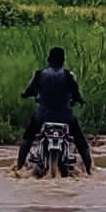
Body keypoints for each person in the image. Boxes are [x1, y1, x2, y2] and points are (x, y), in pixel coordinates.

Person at [15, 45, 93, 174]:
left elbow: (28, 91)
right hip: (65, 117)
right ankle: (89, 169)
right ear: (63, 60)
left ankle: (18, 166)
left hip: (42, 116)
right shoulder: (68, 75)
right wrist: (79, 100)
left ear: (48, 60)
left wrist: (26, 95)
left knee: (27, 138)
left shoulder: (39, 74)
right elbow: (77, 95)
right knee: (80, 140)